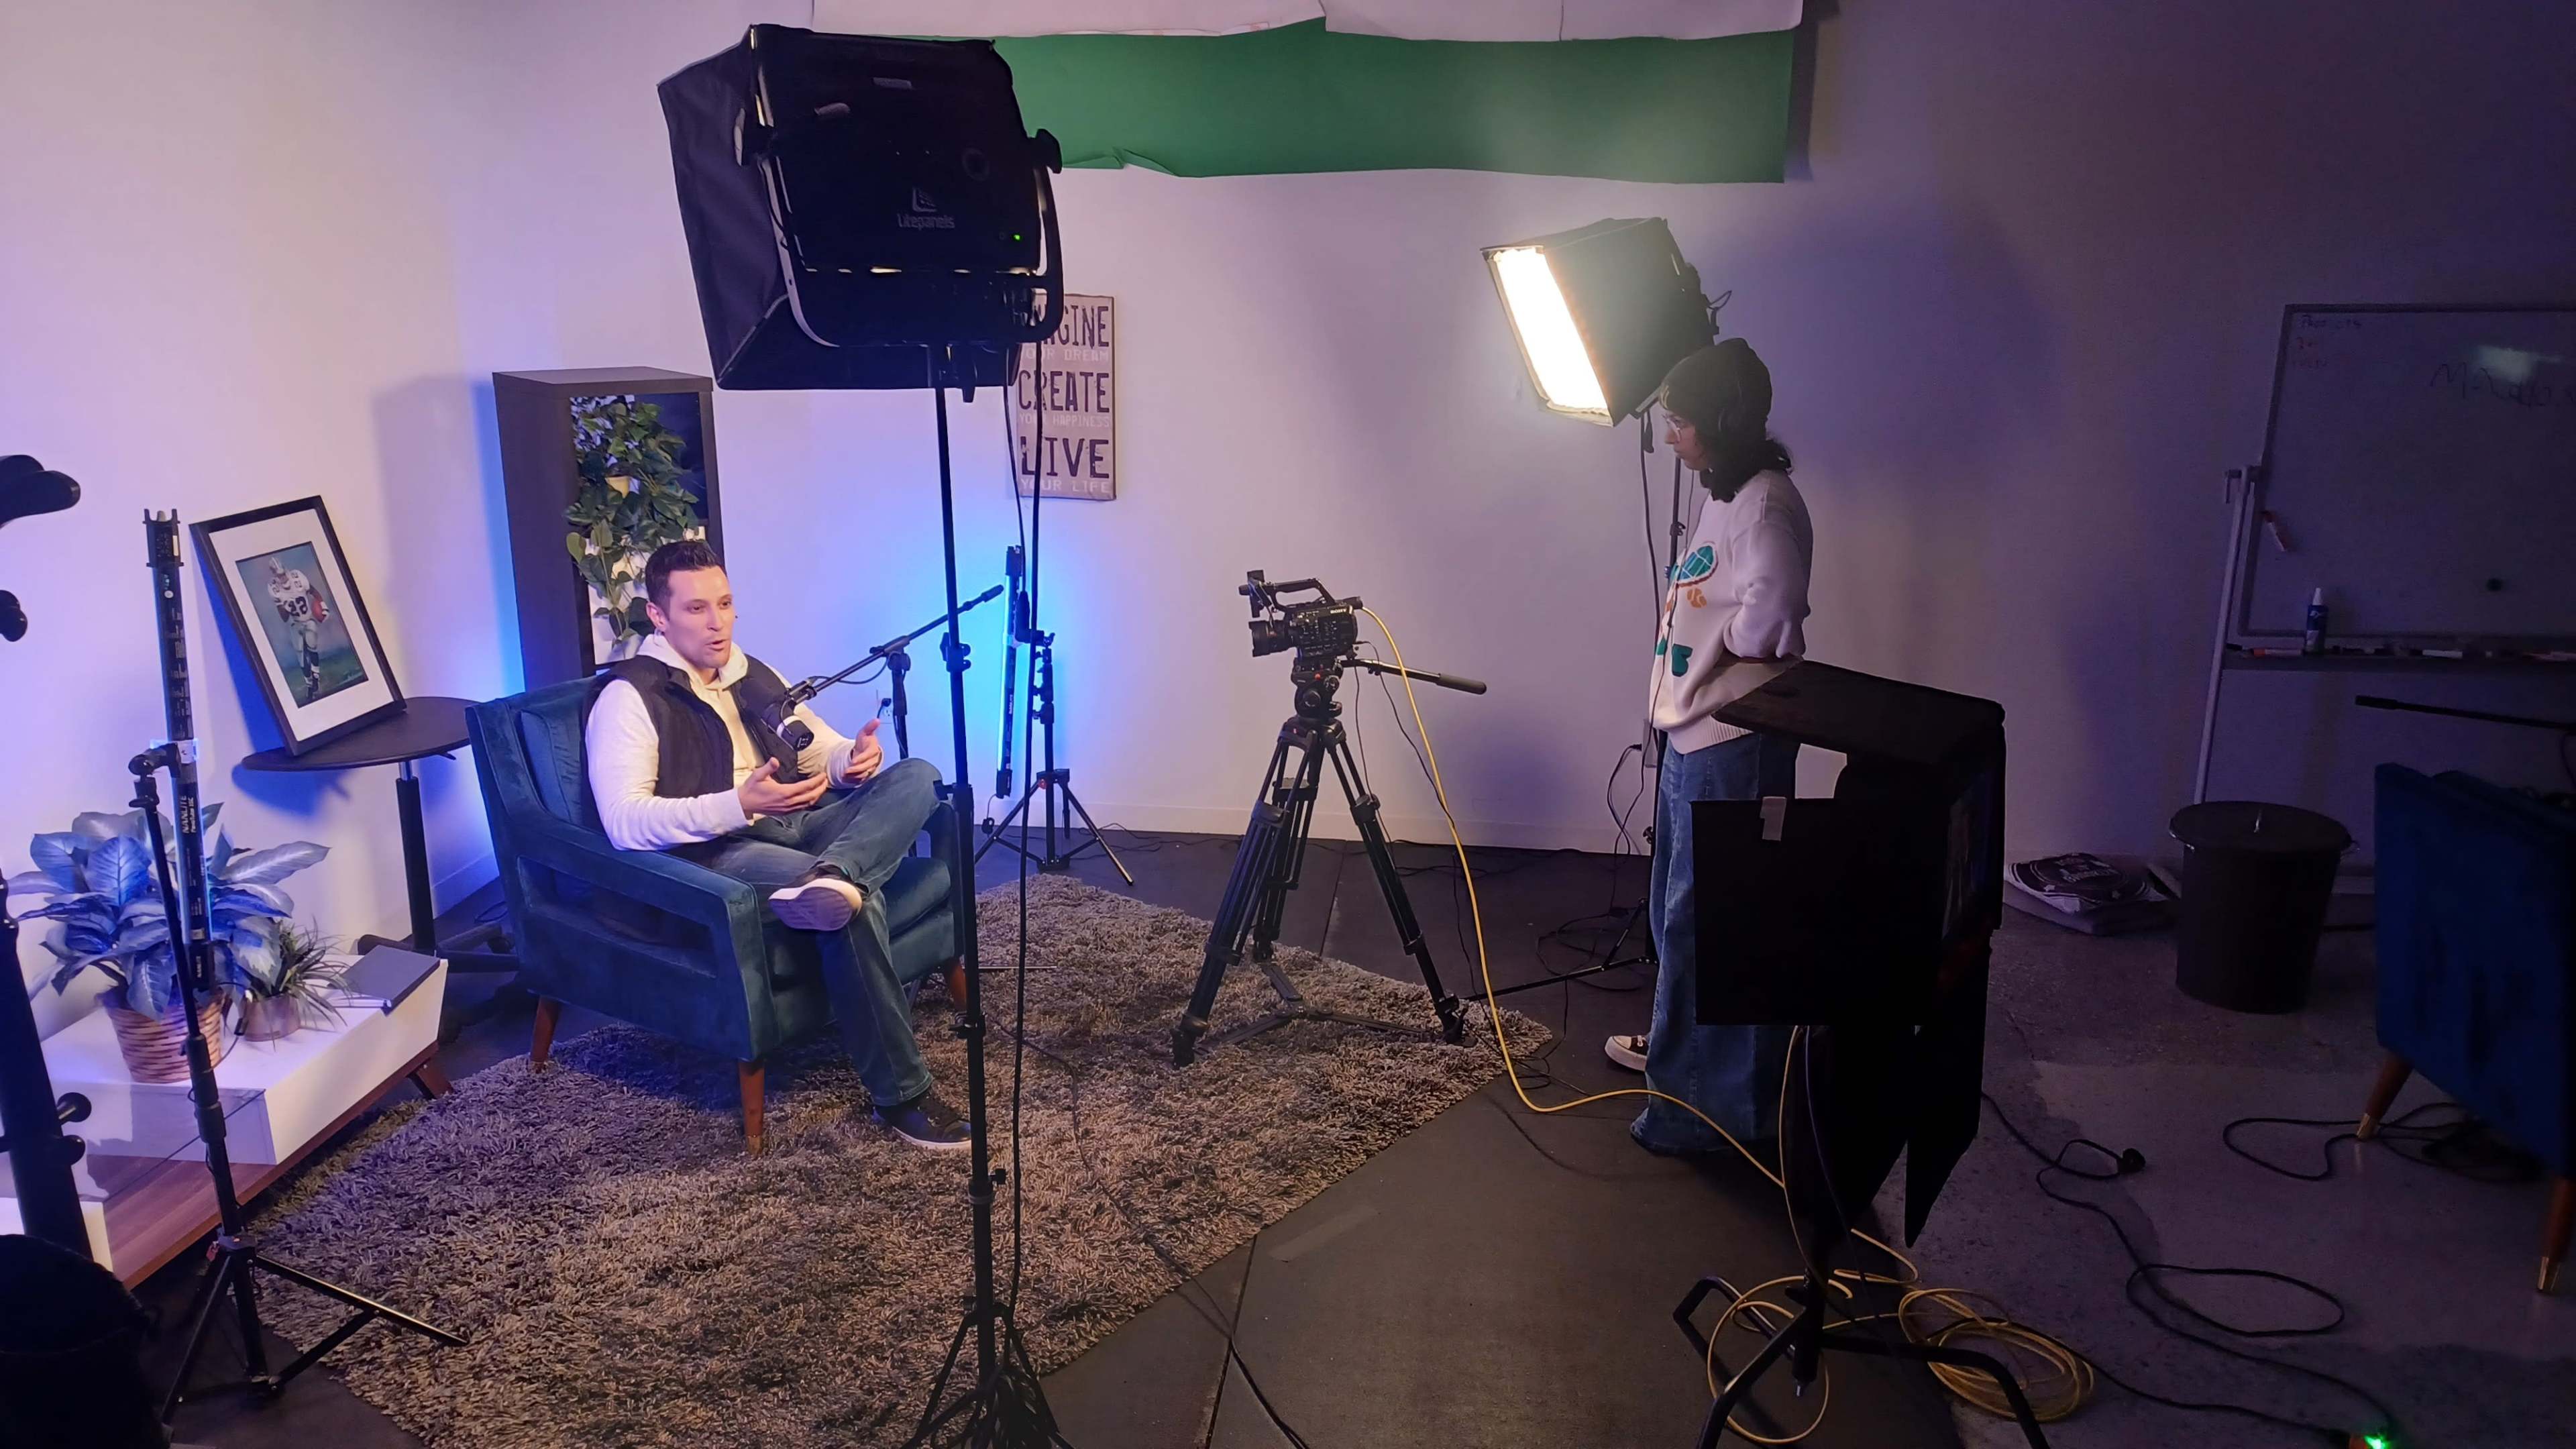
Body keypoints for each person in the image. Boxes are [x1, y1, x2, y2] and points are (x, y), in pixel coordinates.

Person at [582, 539, 966, 1150]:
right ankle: (903, 1097)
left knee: (917, 775)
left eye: (726, 604)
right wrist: (740, 805)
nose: (718, 624)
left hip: (800, 822)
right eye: (697, 610)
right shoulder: (630, 699)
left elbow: (819, 749)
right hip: (723, 851)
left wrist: (852, 759)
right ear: (658, 616)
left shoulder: (750, 672)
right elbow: (625, 822)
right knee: (855, 906)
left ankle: (838, 873)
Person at [1606, 339, 1813, 1157]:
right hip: (1695, 736)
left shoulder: (1764, 505)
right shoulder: (1725, 495)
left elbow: (1774, 610)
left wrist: (1727, 652)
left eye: (1681, 423)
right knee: (1677, 915)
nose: (1670, 439)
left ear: (1721, 424)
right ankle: (1682, 1068)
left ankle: (1705, 1114)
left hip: (1736, 742)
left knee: (1720, 926)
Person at [265, 558, 327, 700]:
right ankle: (310, 685)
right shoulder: (274, 589)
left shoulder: (297, 577)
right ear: (274, 576)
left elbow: (313, 591)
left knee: (312, 649)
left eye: (283, 574)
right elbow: (285, 618)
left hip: (309, 619)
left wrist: (323, 606)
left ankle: (316, 678)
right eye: (279, 576)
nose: (283, 578)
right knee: (301, 656)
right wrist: (284, 606)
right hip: (295, 624)